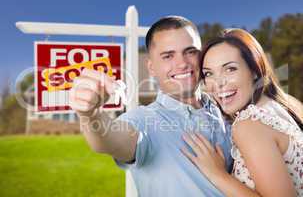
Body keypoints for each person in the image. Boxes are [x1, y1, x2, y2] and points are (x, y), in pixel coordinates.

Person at [69, 16, 233, 196]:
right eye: (168, 56)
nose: (182, 63)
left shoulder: (224, 107)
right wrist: (90, 115)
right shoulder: (144, 120)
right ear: (151, 67)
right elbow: (109, 140)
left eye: (190, 51)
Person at [182, 28, 303, 197]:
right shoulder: (285, 105)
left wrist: (217, 174)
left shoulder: (249, 125)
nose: (218, 83)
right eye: (209, 73)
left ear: (254, 70)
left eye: (230, 69)